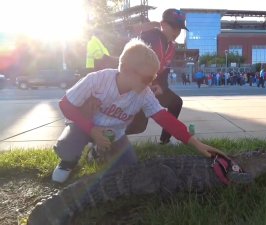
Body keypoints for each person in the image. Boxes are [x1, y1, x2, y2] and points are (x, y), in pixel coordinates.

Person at [52, 39, 223, 183]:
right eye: (148, 78)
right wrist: (91, 129)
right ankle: (69, 161)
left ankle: (96, 152)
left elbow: (165, 118)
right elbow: (65, 104)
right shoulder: (97, 80)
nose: (150, 83)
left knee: (129, 169)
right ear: (126, 69)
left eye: (154, 78)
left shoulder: (144, 93)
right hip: (85, 126)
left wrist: (196, 143)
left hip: (115, 134)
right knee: (67, 147)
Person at [125, 8, 189, 144]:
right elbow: (135, 66)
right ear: (163, 25)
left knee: (176, 102)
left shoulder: (171, 46)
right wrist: (149, 85)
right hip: (136, 87)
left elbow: (164, 70)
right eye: (174, 28)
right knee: (138, 126)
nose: (177, 32)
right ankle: (103, 137)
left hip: (152, 87)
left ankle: (165, 141)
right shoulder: (151, 38)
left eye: (180, 29)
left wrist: (161, 86)